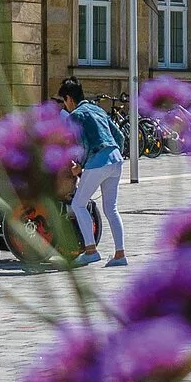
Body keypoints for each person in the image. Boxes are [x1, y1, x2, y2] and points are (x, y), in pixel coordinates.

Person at [58, 77, 126, 267]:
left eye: (64, 101)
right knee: (111, 208)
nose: (66, 106)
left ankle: (91, 250)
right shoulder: (97, 109)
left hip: (98, 162)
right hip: (116, 159)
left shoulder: (75, 116)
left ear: (69, 99)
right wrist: (114, 154)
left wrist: (79, 165)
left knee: (78, 204)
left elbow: (83, 144)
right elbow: (119, 136)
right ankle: (120, 254)